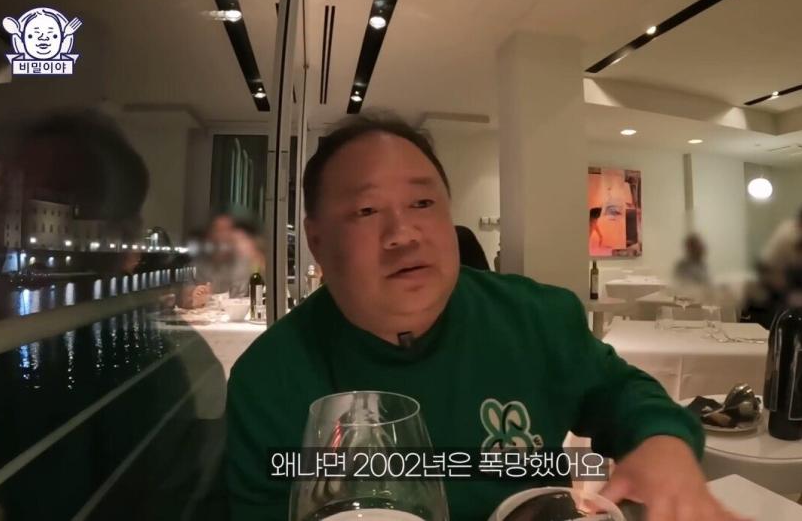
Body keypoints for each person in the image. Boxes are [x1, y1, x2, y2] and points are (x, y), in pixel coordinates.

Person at [226, 116, 742, 521]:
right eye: (366, 211)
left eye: (423, 202)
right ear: (317, 241)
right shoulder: (271, 377)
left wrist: (662, 442)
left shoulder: (536, 317)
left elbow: (621, 392)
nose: (403, 233)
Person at [762, 206, 802, 271]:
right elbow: (794, 253)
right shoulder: (789, 230)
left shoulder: (792, 226)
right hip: (769, 265)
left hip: (775, 264)